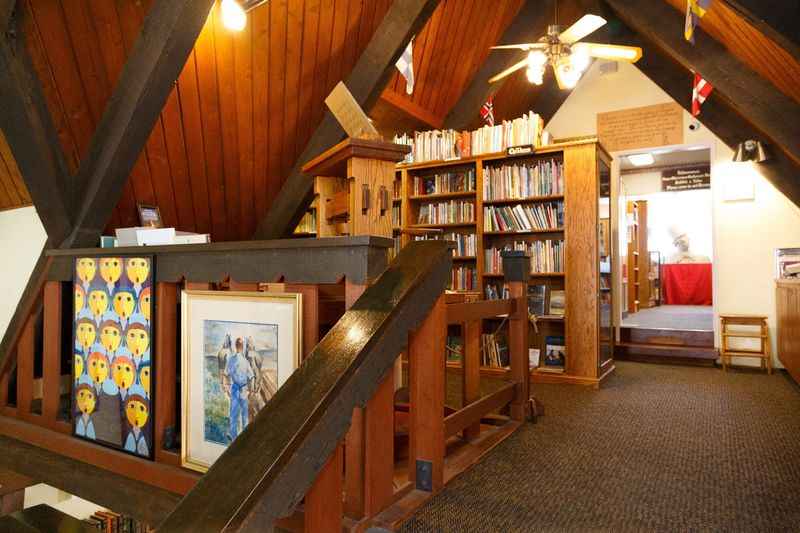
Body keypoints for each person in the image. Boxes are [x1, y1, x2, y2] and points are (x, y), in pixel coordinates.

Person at [224, 337, 255, 440]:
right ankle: (245, 439)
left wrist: (226, 387)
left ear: (235, 346)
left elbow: (225, 374)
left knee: (233, 416)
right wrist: (251, 390)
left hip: (234, 389)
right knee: (244, 416)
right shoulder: (245, 361)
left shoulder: (231, 360)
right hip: (243, 390)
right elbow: (252, 377)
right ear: (242, 347)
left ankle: (233, 438)